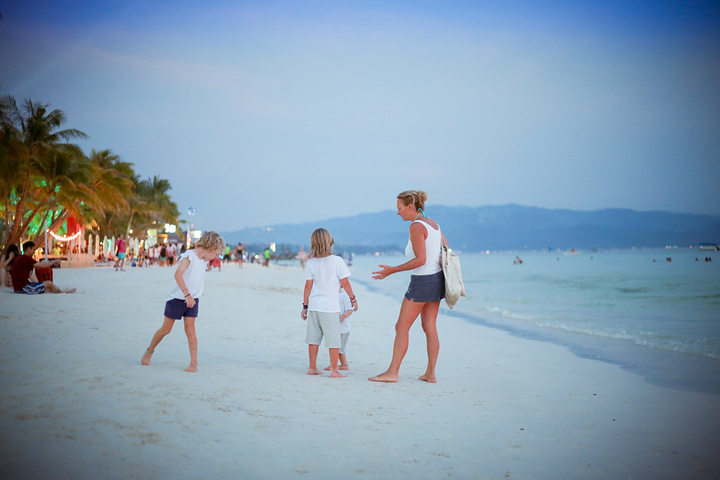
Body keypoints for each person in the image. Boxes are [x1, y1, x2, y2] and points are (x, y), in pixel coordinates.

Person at [370, 190, 446, 383]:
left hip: (422, 282)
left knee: (401, 326)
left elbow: (421, 260)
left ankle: (393, 372)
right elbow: (444, 247)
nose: (398, 212)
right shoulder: (433, 224)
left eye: (399, 208)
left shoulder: (416, 227)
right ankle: (431, 373)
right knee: (430, 326)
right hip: (436, 280)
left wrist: (392, 270)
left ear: (410, 207)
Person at [141, 231, 225, 373]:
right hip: (178, 298)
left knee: (190, 330)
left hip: (193, 300)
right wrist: (187, 294)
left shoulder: (203, 260)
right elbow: (178, 274)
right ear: (210, 248)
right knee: (166, 329)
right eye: (216, 253)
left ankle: (194, 363)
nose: (215, 257)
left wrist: (192, 297)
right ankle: (149, 350)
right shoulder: (189, 256)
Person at [301, 228, 358, 378]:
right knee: (334, 340)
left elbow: (308, 287)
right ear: (330, 242)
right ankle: (334, 370)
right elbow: (345, 283)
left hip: (314, 307)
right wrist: (353, 299)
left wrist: (305, 307)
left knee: (313, 339)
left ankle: (312, 367)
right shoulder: (337, 261)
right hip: (330, 309)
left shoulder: (311, 263)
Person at [10, 241, 76, 294]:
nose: (34, 252)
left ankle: (57, 290)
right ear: (28, 249)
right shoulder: (26, 258)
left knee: (46, 286)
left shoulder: (20, 258)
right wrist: (53, 262)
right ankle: (62, 292)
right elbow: (41, 266)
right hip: (24, 288)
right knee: (49, 283)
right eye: (33, 249)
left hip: (18, 287)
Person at [325, 288, 354, 372]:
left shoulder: (344, 296)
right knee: (339, 348)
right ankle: (344, 364)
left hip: (343, 328)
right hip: (334, 326)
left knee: (337, 347)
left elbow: (350, 309)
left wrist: (344, 315)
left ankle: (333, 364)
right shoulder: (330, 295)